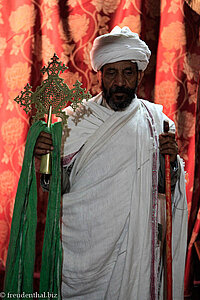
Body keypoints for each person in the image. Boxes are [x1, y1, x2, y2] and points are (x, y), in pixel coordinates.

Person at [34, 26, 188, 300]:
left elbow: (165, 189)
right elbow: (58, 186)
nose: (119, 82)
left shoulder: (157, 123)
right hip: (84, 245)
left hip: (135, 246)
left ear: (139, 74)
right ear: (100, 75)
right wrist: (43, 160)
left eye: (127, 72)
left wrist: (172, 163)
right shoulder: (75, 121)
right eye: (111, 73)